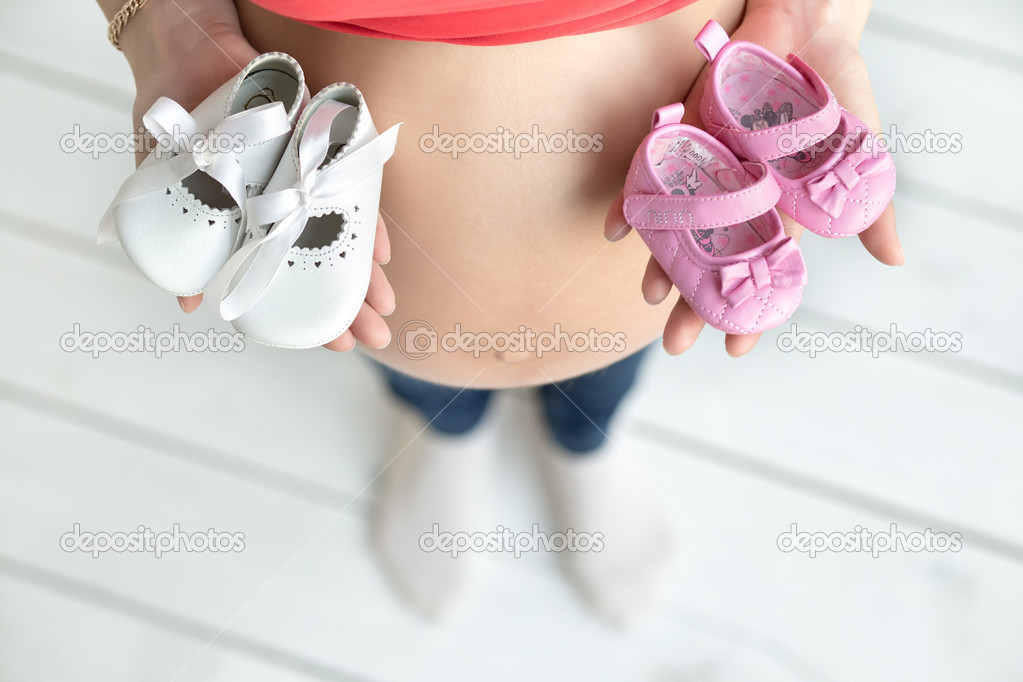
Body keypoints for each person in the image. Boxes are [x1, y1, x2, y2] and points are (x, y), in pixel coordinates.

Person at [96, 0, 902, 622]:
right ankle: (444, 433)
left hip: (647, 268)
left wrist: (815, 13)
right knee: (412, 382)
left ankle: (584, 445)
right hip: (379, 295)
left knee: (606, 382)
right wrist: (167, 23)